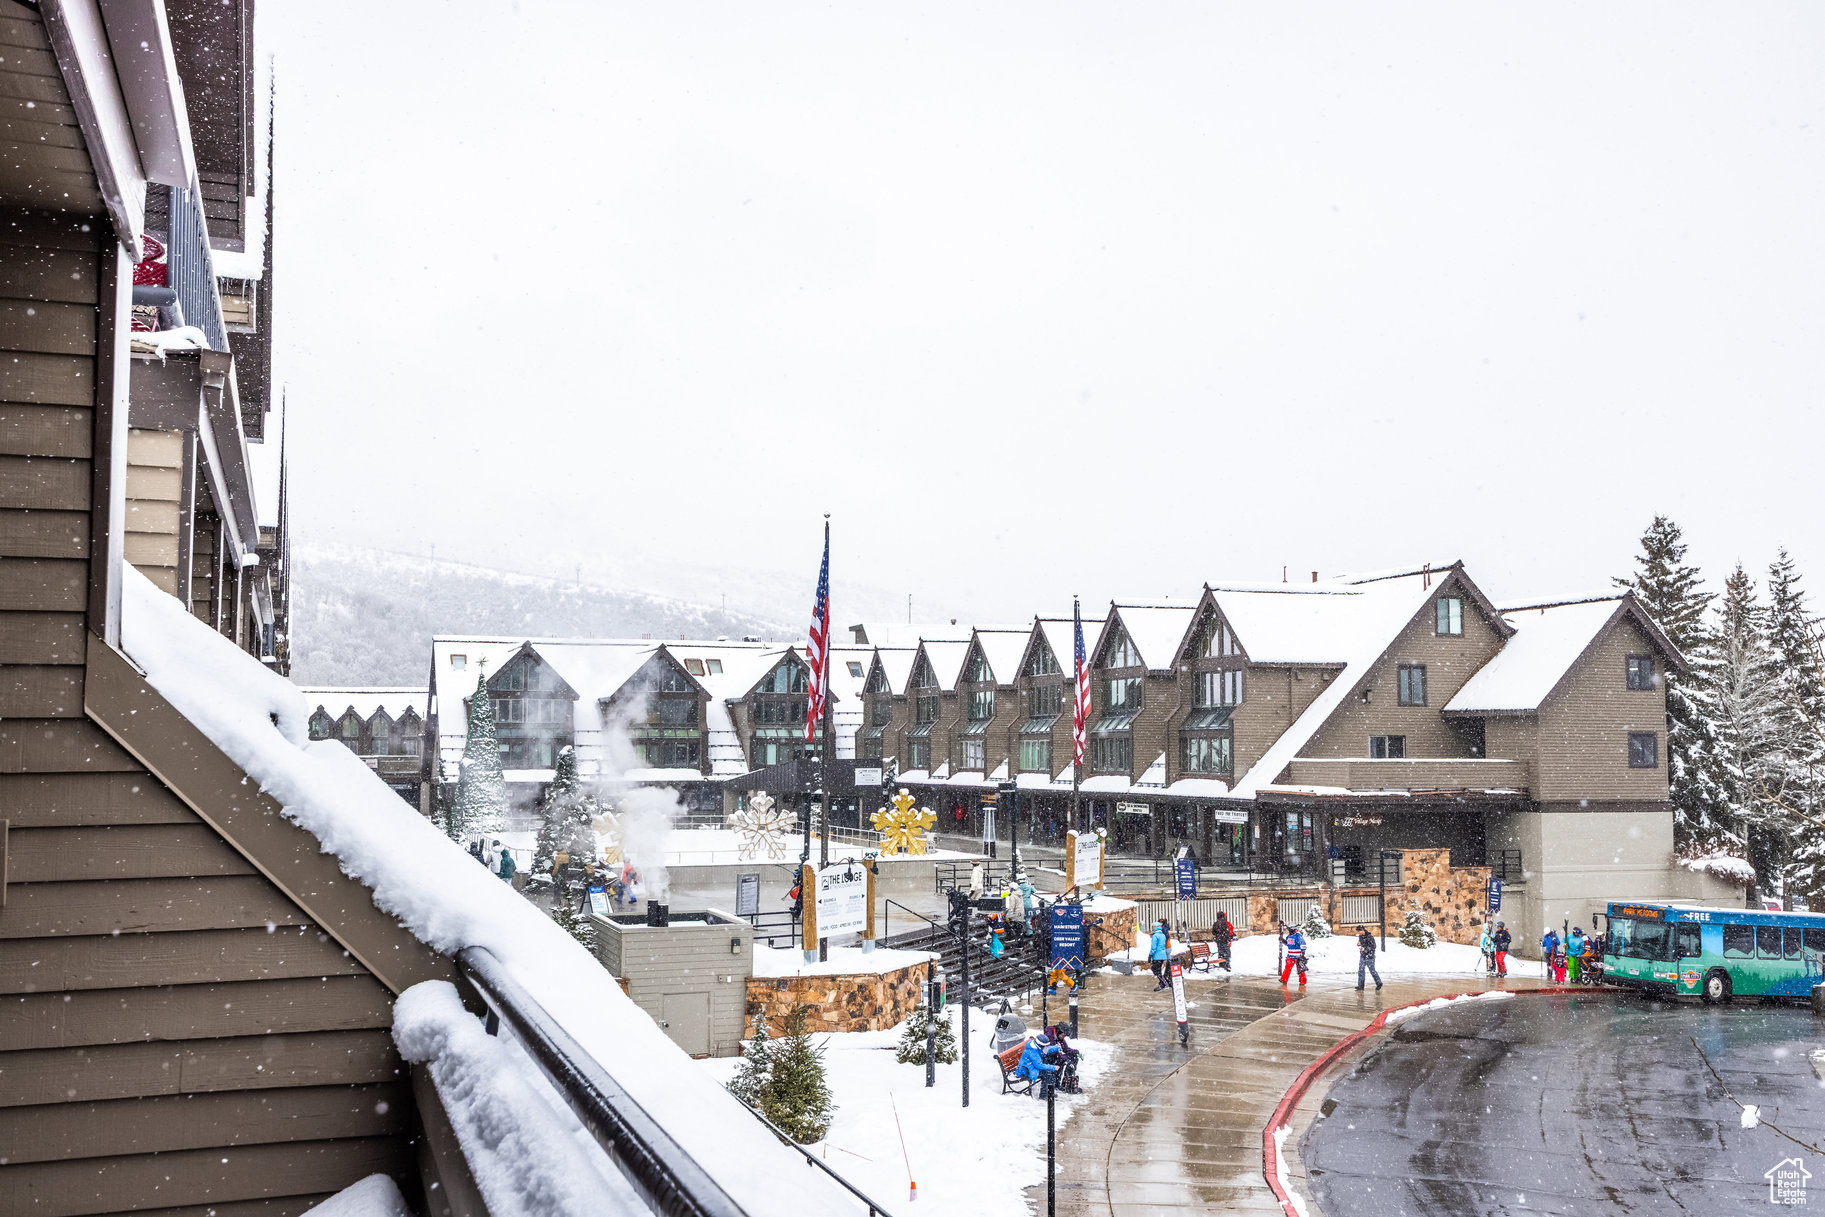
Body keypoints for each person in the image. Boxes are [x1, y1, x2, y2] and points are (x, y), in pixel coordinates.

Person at [1040, 1024, 1081, 1093]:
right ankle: (1056, 1084)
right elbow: (1052, 1052)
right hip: (1046, 1058)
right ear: (1059, 1031)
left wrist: (1075, 1052)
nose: (1063, 1037)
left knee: (1073, 1057)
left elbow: (1065, 1048)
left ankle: (1068, 1080)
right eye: (1063, 1035)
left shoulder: (1059, 1036)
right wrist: (1065, 1058)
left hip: (1055, 1056)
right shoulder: (1050, 1036)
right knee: (1060, 1061)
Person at [1280, 921, 1308, 986]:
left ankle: (1303, 981)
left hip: (1298, 956)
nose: (1289, 931)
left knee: (1300, 969)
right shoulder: (1288, 937)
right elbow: (1288, 944)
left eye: (1290, 930)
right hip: (1290, 955)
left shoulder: (1298, 936)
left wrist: (1302, 953)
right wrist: (1283, 941)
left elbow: (1303, 943)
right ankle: (1284, 979)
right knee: (1287, 968)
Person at [1355, 925, 1382, 991]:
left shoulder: (1370, 937)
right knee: (1361, 970)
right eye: (1358, 932)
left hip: (1370, 956)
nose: (1359, 933)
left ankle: (1379, 983)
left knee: (1372, 971)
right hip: (1363, 956)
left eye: (1359, 931)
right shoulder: (1360, 937)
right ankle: (1360, 986)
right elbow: (1362, 944)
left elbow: (1373, 947)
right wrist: (1359, 944)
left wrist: (1366, 949)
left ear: (1363, 930)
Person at [1149, 919, 1171, 990]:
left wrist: (1150, 955)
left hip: (1157, 956)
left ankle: (1164, 984)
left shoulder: (1155, 936)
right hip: (1162, 955)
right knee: (1157, 970)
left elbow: (1154, 947)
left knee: (1156, 970)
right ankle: (1164, 983)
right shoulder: (1163, 935)